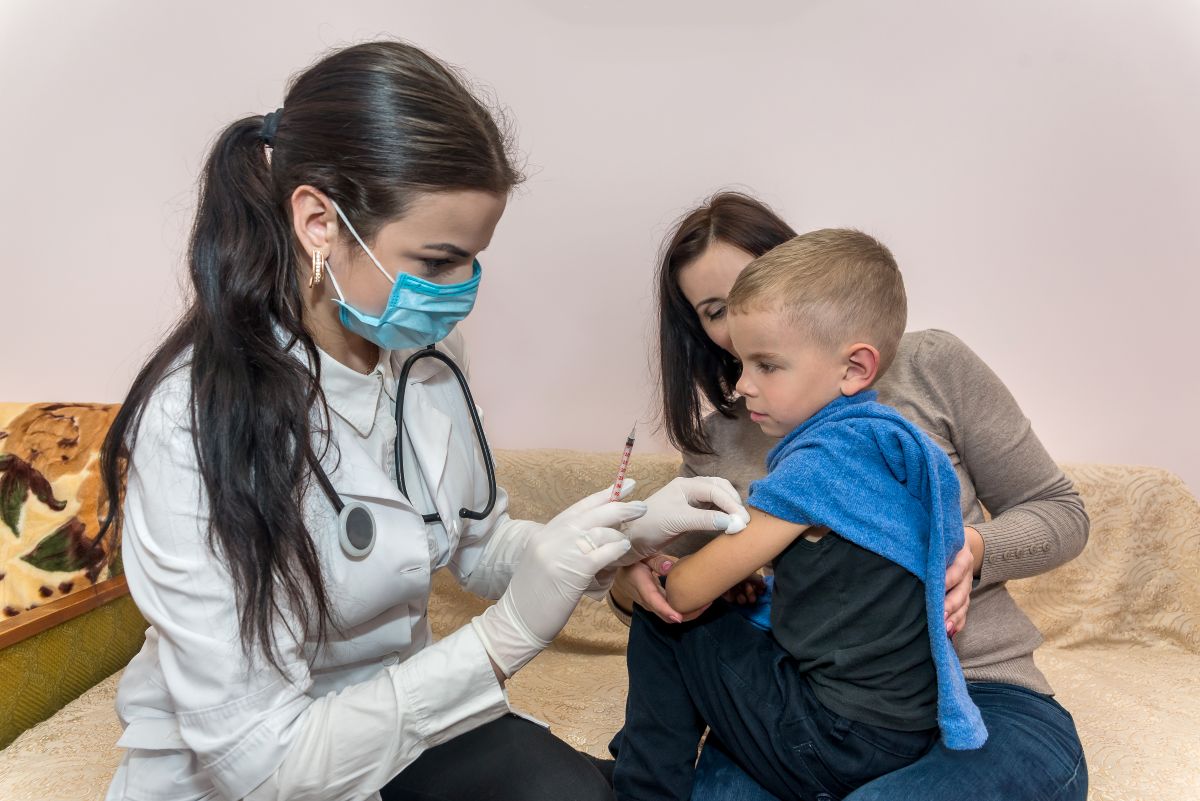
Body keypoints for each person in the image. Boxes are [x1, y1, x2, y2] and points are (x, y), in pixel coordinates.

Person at [95, 41, 748, 801]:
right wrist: (505, 636)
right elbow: (262, 764)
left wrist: (618, 536)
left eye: (473, 258)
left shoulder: (424, 354)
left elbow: (475, 542)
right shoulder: (192, 423)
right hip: (259, 771)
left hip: (401, 714)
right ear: (318, 221)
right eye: (437, 261)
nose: (460, 289)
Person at [608, 192, 1090, 800]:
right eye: (717, 309)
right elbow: (672, 603)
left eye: (760, 280)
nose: (743, 316)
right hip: (808, 698)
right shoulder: (720, 440)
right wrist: (630, 577)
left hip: (985, 694)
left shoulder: (930, 367)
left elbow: (1063, 513)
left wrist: (965, 548)